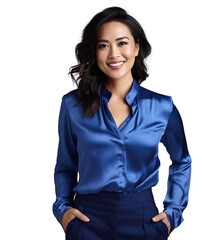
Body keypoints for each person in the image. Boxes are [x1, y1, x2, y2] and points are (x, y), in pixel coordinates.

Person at [52, 6, 192, 240]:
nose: (114, 54)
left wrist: (173, 212)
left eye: (122, 43)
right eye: (103, 45)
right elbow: (66, 165)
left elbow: (182, 161)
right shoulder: (72, 105)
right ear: (94, 52)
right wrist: (63, 210)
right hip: (87, 220)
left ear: (137, 47)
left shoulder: (162, 107)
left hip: (143, 219)